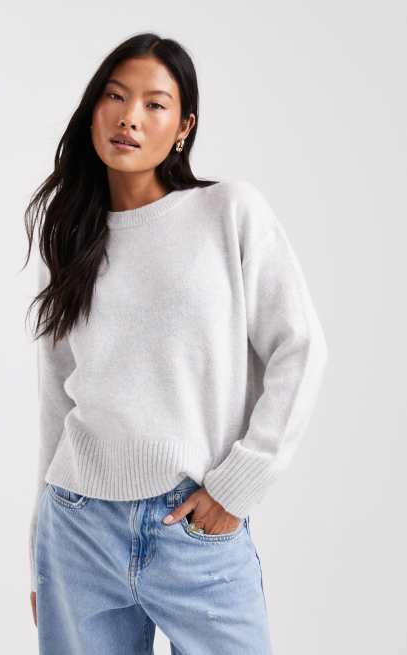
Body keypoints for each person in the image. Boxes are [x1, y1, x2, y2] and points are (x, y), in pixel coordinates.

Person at [22, 32, 328, 655]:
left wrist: (238, 486)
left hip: (193, 525)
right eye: (115, 96)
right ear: (94, 109)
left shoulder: (229, 212)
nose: (129, 117)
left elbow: (300, 349)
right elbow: (57, 395)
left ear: (184, 127)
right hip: (76, 529)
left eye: (154, 104)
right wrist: (37, 552)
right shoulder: (69, 237)